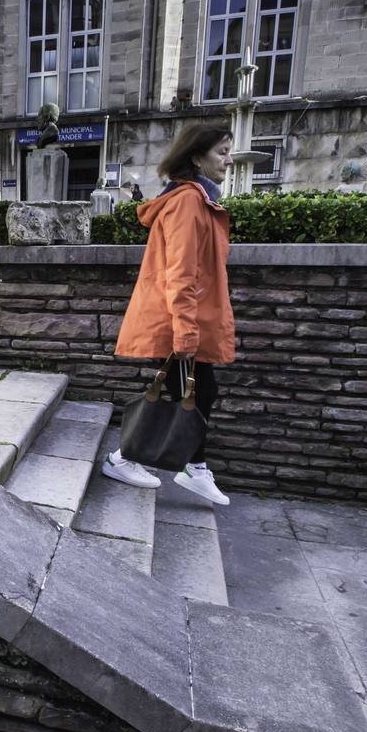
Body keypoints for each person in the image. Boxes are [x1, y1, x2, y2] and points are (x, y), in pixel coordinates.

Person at [101, 124, 236, 505]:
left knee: (193, 390)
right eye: (222, 152)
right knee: (190, 391)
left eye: (229, 151)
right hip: (178, 321)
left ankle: (157, 461)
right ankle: (149, 461)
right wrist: (187, 332)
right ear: (197, 157)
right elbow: (181, 272)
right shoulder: (188, 202)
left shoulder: (196, 199)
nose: (229, 160)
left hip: (184, 319)